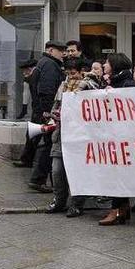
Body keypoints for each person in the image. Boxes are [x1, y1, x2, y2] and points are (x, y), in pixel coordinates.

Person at [45, 58, 99, 215]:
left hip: (79, 136)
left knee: (76, 171)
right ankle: (59, 200)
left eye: (73, 73)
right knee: (57, 170)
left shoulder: (89, 86)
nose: (70, 76)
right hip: (61, 134)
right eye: (67, 73)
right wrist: (52, 116)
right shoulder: (63, 85)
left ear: (82, 71)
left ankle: (76, 203)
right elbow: (56, 105)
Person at [98, 53, 135, 225]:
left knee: (117, 174)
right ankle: (123, 208)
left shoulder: (126, 84)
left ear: (115, 65)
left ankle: (115, 210)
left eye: (106, 62)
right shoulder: (113, 81)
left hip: (123, 136)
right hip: (113, 134)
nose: (104, 65)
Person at [27, 41, 67, 191]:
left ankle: (38, 178)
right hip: (47, 112)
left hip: (41, 110)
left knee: (45, 145)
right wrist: (48, 112)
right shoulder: (50, 65)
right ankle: (38, 179)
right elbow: (47, 90)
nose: (63, 53)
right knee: (48, 146)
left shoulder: (43, 63)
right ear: (51, 50)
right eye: (60, 50)